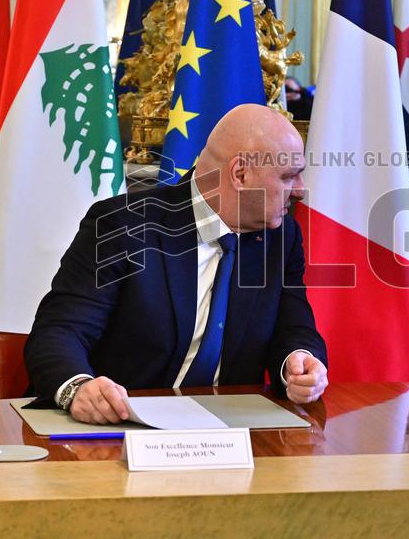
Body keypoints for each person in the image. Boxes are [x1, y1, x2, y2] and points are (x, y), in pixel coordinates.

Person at [25, 104, 328, 424]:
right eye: (288, 176)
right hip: (122, 428)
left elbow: (294, 327)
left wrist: (299, 361)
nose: (300, 191)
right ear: (240, 175)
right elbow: (60, 331)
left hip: (229, 434)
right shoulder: (123, 225)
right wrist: (79, 388)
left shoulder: (280, 238)